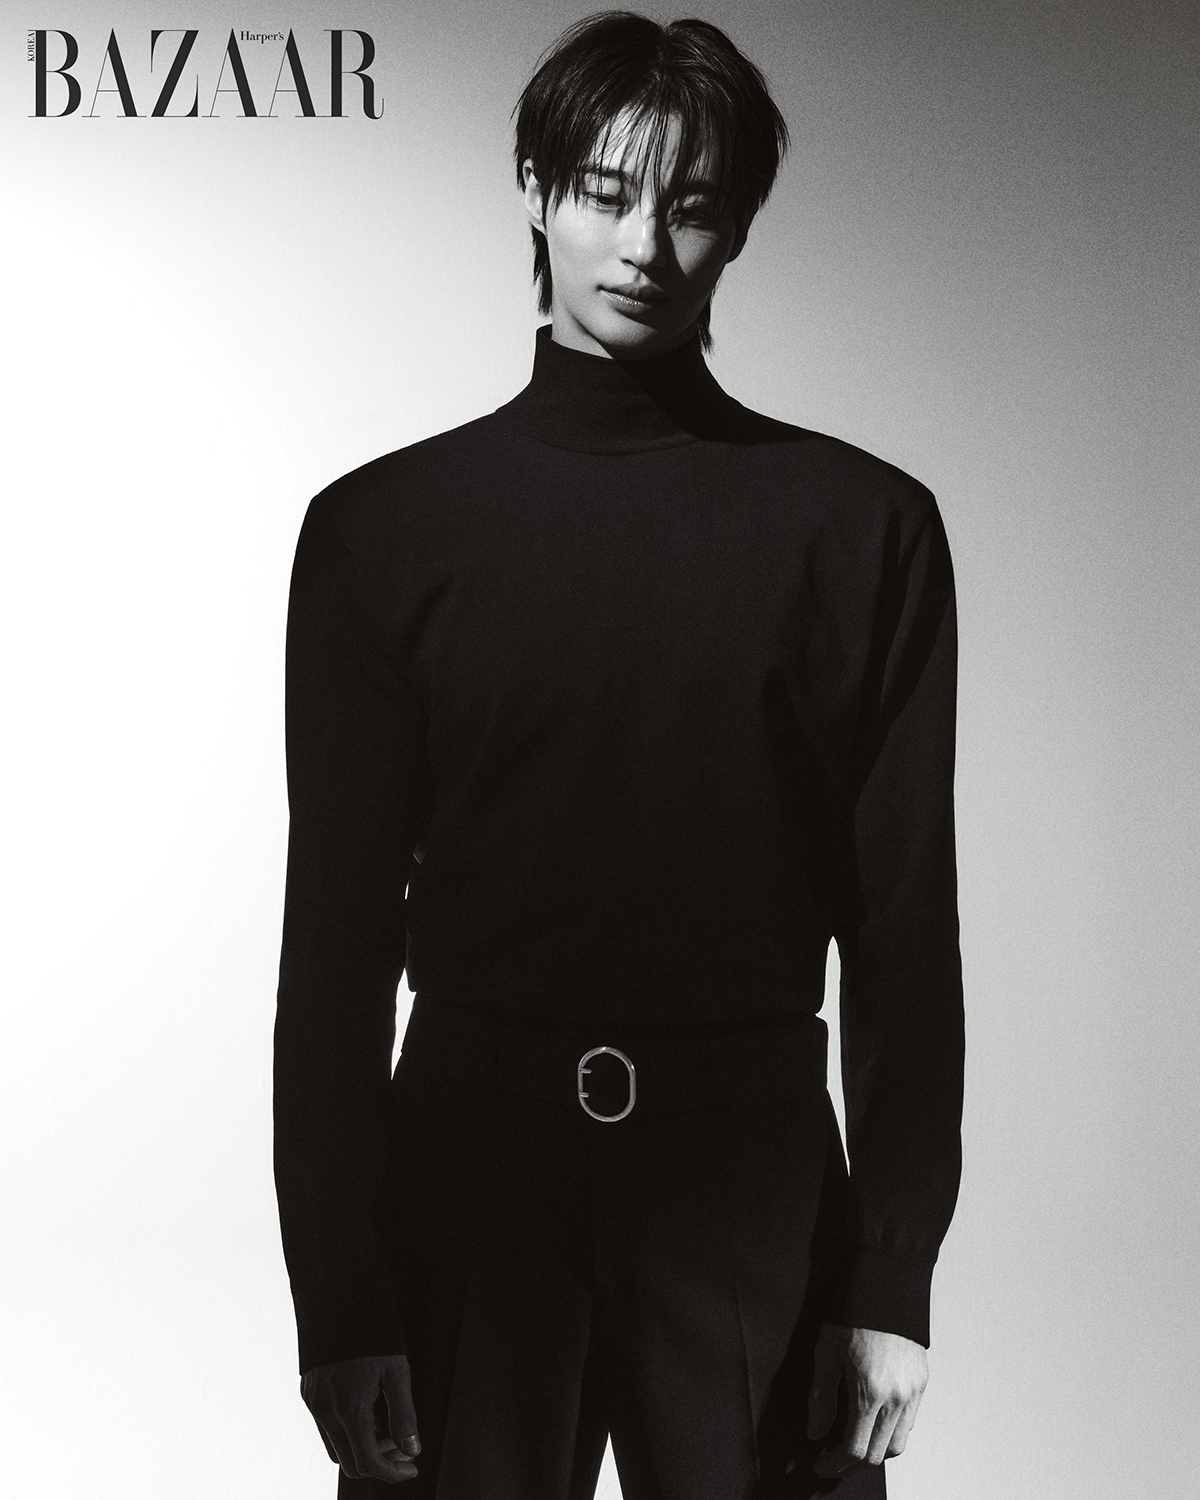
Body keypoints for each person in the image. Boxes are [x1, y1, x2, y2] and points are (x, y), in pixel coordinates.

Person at [274, 12, 964, 1499]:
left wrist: (892, 1278)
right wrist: (339, 1288)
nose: (645, 244)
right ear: (536, 189)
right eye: (604, 191)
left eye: (693, 205)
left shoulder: (863, 534)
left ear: (740, 228)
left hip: (754, 1189)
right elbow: (334, 942)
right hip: (467, 1177)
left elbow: (904, 934)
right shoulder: (382, 535)